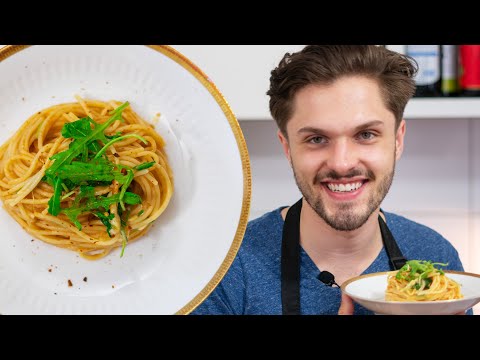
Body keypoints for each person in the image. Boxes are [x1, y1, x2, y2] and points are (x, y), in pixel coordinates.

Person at [192, 45, 470, 315]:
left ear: (397, 140)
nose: (342, 163)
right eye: (316, 139)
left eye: (366, 135)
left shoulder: (434, 256)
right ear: (288, 148)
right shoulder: (227, 269)